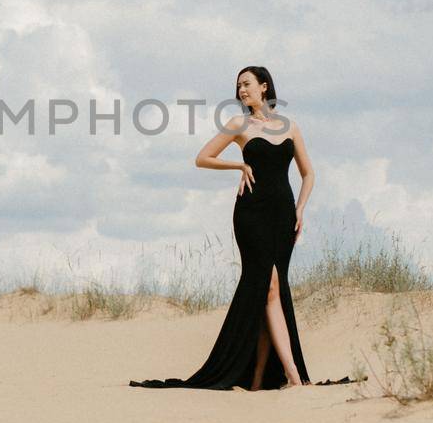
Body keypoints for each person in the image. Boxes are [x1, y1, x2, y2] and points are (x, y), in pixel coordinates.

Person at [131, 65, 315, 391]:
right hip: (251, 214)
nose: (241, 90)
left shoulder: (290, 127)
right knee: (268, 284)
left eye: (246, 84)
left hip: (283, 217)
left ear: (264, 86)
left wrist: (300, 208)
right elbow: (202, 157)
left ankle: (259, 377)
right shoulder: (238, 124)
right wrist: (239, 163)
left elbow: (308, 174)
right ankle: (292, 377)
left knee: (268, 291)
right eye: (238, 86)